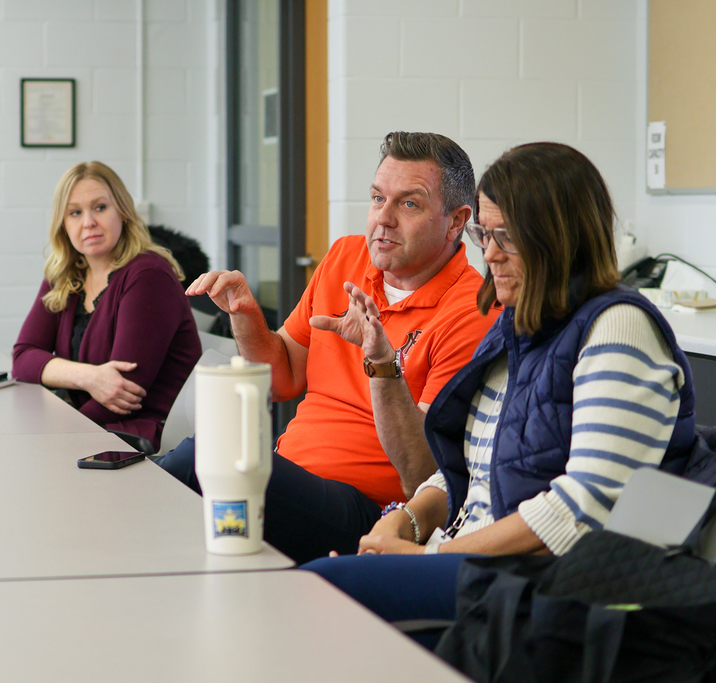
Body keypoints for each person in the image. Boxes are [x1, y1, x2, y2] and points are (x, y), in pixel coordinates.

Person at [303, 142, 697, 646]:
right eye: (484, 234)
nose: (488, 253)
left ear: (561, 239)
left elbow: (578, 512)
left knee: (318, 592)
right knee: (318, 597)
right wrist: (403, 523)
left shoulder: (619, 329)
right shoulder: (516, 328)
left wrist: (428, 559)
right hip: (475, 563)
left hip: (545, 588)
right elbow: (468, 471)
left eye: (507, 236)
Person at [158, 132, 499, 563]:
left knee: (207, 457)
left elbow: (425, 474)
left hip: (368, 513)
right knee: (203, 479)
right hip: (288, 478)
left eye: (409, 204)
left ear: (455, 221)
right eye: (378, 198)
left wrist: (380, 362)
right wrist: (244, 315)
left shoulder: (473, 309)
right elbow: (280, 378)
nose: (384, 219)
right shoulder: (346, 257)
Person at [12, 161, 201, 452]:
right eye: (75, 212)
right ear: (64, 225)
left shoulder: (148, 275)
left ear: (123, 212)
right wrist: (88, 376)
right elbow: (23, 358)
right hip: (92, 431)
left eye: (100, 207)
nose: (88, 222)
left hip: (143, 439)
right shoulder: (65, 274)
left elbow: (122, 393)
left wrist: (56, 434)